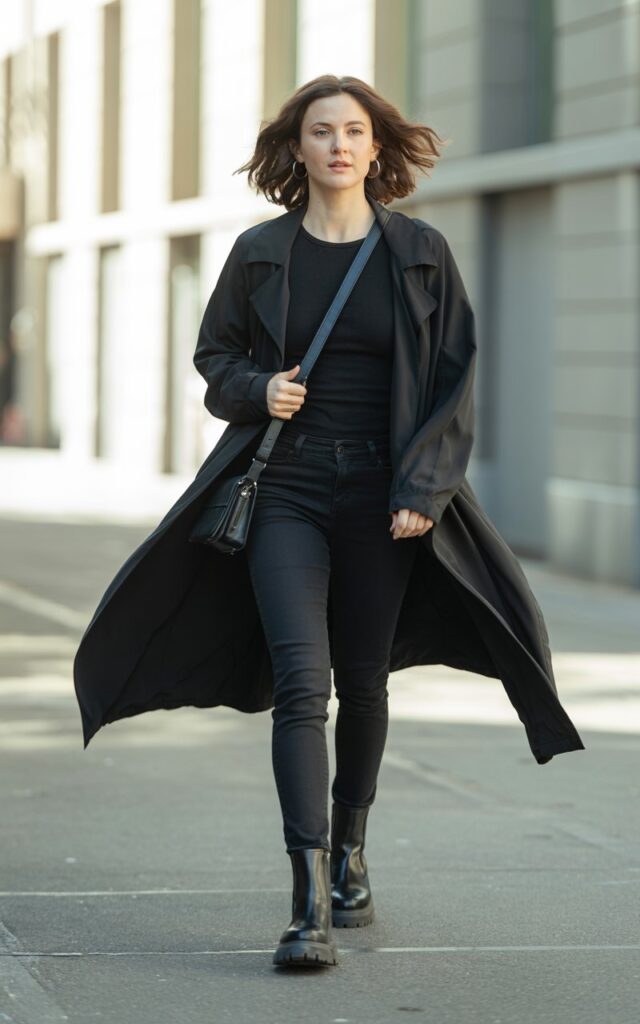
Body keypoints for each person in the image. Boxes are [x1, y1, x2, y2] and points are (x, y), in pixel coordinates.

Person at [202, 75, 447, 969]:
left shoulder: (419, 252)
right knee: (303, 685)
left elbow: (454, 379)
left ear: (376, 149)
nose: (338, 145)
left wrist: (423, 486)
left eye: (353, 131)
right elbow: (214, 358)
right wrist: (256, 387)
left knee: (365, 680)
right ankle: (307, 902)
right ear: (296, 147)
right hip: (287, 491)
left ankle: (351, 851)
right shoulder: (260, 252)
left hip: (384, 497)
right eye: (321, 131)